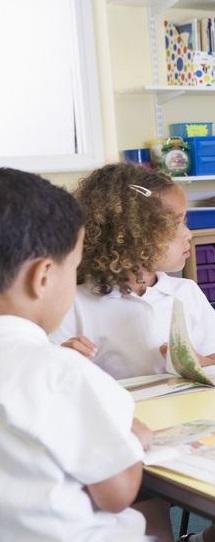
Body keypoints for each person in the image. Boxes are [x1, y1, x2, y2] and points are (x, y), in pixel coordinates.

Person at [0, 167, 151, 541]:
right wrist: (128, 436)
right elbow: (117, 493)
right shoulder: (59, 369)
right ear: (44, 276)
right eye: (76, 266)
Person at [51, 163, 215, 379]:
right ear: (132, 234)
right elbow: (52, 380)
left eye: (185, 222)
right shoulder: (73, 303)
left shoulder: (186, 292)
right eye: (175, 224)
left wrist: (195, 361)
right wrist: (65, 359)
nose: (188, 234)